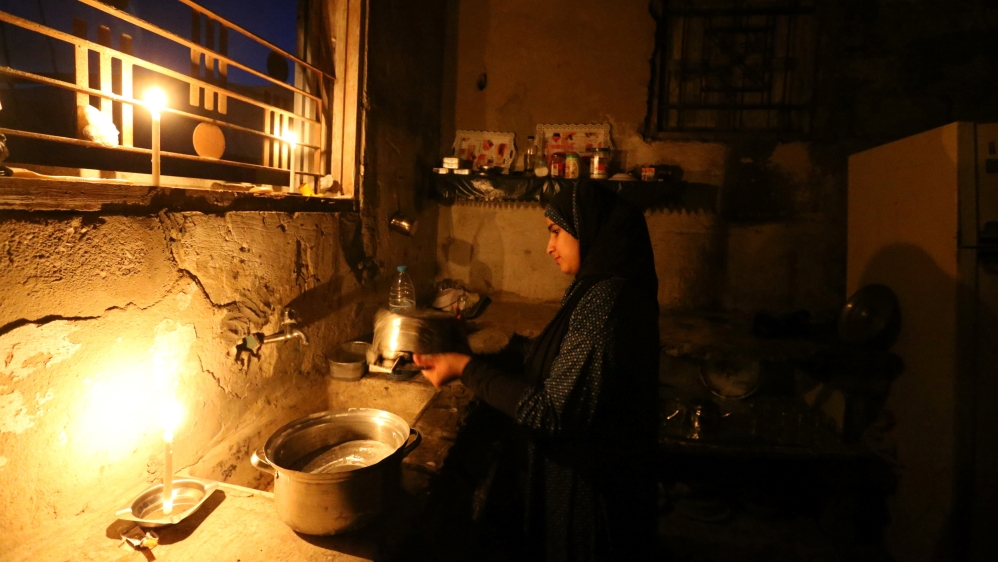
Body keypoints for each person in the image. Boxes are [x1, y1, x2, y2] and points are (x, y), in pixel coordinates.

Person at [415, 180, 660, 561]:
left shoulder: (604, 303)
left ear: (588, 227)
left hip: (589, 492)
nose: (550, 247)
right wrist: (484, 354)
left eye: (556, 232)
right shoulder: (595, 289)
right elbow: (561, 361)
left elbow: (550, 412)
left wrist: (465, 368)